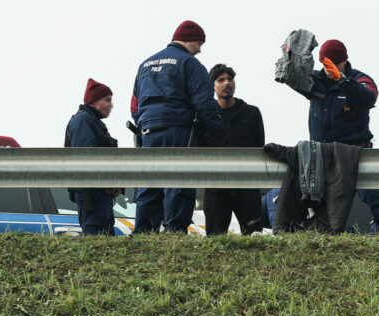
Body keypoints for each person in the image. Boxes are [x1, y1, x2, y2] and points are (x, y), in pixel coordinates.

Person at [130, 20, 225, 233]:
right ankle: (174, 230)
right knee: (179, 179)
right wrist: (216, 132)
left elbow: (135, 104)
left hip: (148, 131)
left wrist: (143, 123)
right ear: (190, 40)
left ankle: (144, 231)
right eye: (200, 43)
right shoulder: (190, 64)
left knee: (149, 181)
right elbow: (204, 103)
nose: (200, 49)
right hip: (179, 129)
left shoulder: (145, 64)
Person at [292, 39, 379, 234]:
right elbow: (291, 77)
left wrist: (343, 80)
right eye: (324, 64)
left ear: (344, 60)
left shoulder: (361, 79)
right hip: (324, 156)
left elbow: (368, 99)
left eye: (333, 64)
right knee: (326, 208)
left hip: (356, 154)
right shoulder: (316, 81)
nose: (328, 69)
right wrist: (291, 57)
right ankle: (326, 239)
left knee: (376, 197)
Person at [204, 64, 265, 235]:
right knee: (215, 240)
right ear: (213, 85)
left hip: (247, 186)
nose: (226, 83)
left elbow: (259, 146)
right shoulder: (206, 115)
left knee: (254, 237)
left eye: (230, 79)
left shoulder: (251, 113)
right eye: (220, 80)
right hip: (216, 187)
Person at [64, 78, 121, 235]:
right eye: (107, 100)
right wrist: (106, 182)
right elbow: (86, 158)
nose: (111, 105)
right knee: (96, 236)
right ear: (94, 101)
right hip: (92, 193)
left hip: (100, 192)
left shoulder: (92, 121)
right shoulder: (83, 120)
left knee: (105, 239)